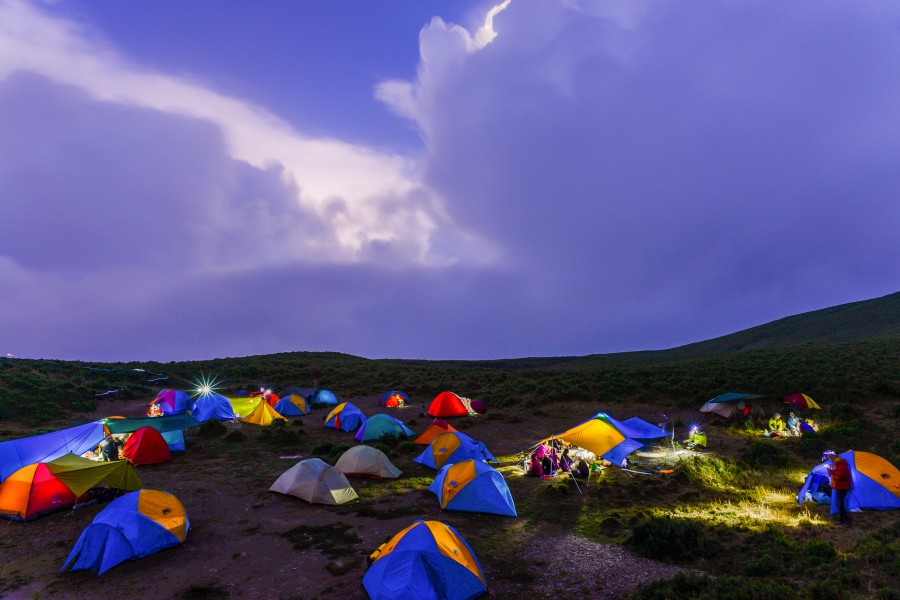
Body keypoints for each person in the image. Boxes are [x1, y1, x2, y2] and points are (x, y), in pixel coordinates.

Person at [826, 452, 852, 525]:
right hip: (841, 486)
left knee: (840, 504)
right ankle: (844, 519)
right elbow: (838, 472)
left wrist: (829, 470)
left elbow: (840, 475)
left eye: (830, 458)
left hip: (843, 487)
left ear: (833, 457)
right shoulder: (838, 463)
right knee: (840, 503)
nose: (830, 460)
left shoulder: (841, 463)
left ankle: (844, 520)